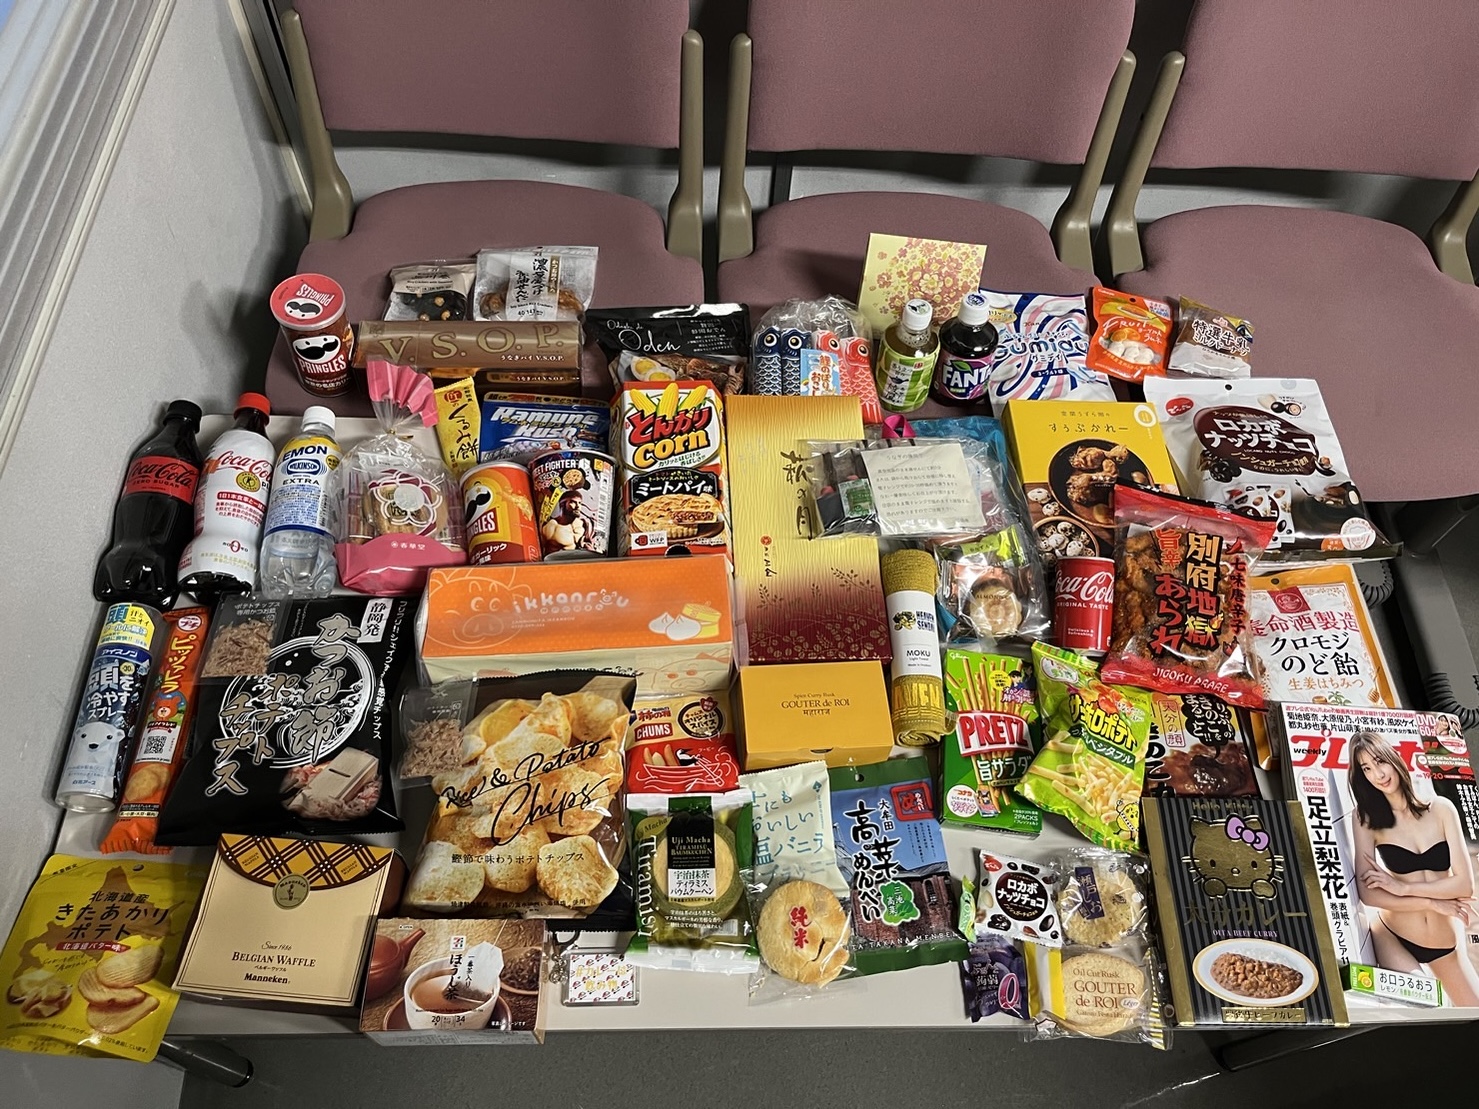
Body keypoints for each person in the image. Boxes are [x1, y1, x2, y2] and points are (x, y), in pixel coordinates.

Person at [1349, 729, 1479, 1005]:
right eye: (1367, 769)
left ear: (1394, 758)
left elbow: (1464, 884)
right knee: (1428, 1007)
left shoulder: (1441, 809)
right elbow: (1368, 894)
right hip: (1393, 934)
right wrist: (1432, 902)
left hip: (1444, 945)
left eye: (1379, 762)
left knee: (1474, 1012)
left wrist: (1403, 887)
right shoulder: (1366, 818)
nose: (1378, 774)